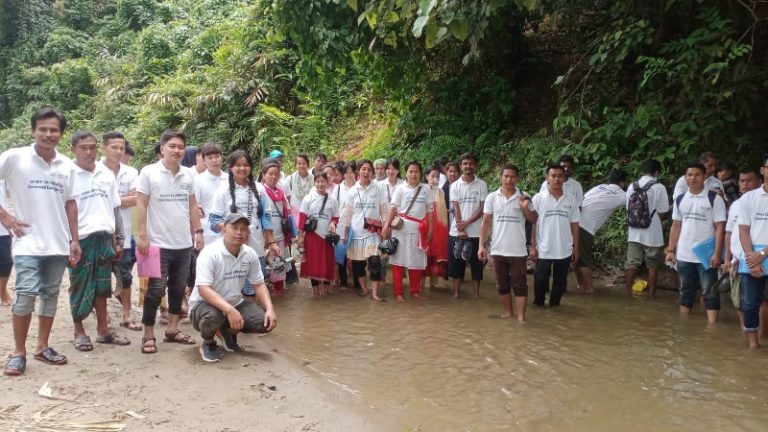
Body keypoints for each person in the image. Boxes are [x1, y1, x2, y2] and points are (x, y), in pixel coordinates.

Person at [0, 107, 81, 376]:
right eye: (43, 129)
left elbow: (70, 203)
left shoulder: (67, 165)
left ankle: (42, 346)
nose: (48, 134)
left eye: (53, 130)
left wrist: (74, 239)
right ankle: (18, 352)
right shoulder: (15, 158)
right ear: (33, 131)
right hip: (27, 242)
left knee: (50, 294)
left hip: (58, 243)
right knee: (25, 295)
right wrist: (5, 216)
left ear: (61, 134)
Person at [136, 130, 204, 354]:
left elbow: (192, 205)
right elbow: (141, 204)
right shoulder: (149, 172)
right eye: (172, 146)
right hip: (156, 244)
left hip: (183, 244)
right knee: (154, 291)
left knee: (177, 288)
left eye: (180, 147)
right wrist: (142, 236)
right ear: (162, 148)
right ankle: (148, 334)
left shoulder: (188, 175)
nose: (177, 150)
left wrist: (198, 231)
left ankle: (172, 330)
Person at [68, 131, 130, 351]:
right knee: (79, 284)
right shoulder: (67, 174)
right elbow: (62, 209)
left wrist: (118, 239)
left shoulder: (106, 174)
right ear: (73, 149)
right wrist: (70, 240)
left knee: (103, 286)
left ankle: (103, 330)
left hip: (104, 237)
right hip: (80, 239)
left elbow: (115, 208)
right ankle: (79, 331)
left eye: (92, 147)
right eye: (83, 147)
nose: (88, 152)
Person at [190, 213, 277, 362]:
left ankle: (226, 331)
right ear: (224, 229)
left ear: (248, 233)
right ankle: (208, 342)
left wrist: (270, 309)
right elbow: (203, 290)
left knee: (265, 322)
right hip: (203, 306)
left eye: (243, 229)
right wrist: (230, 310)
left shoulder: (250, 254)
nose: (239, 232)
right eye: (234, 228)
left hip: (235, 302)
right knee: (214, 316)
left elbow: (258, 284)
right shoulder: (210, 253)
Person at [209, 150, 279, 300]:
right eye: (238, 165)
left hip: (256, 245)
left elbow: (266, 216)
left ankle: (251, 311)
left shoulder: (259, 189)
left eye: (246, 165)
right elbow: (214, 219)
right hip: (230, 247)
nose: (242, 168)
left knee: (256, 284)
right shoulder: (222, 190)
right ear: (231, 167)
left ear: (251, 167)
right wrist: (231, 231)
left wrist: (271, 242)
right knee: (230, 287)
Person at [665, 162, 726, 323]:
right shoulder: (680, 199)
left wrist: (717, 254)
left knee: (710, 292)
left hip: (706, 256)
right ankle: (684, 325)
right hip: (684, 254)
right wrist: (671, 250)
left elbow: (720, 228)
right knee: (686, 291)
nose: (693, 178)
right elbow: (676, 225)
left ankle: (712, 328)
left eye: (697, 174)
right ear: (685, 177)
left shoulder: (714, 198)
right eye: (689, 175)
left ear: (704, 176)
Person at [478, 164, 536, 320]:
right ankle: (508, 313)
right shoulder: (492, 197)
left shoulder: (524, 196)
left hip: (518, 250)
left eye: (512, 177)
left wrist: (525, 208)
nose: (509, 179)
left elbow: (533, 219)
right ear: (501, 177)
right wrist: (481, 246)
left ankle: (521, 318)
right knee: (502, 283)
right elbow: (485, 222)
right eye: (506, 176)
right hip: (498, 249)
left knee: (520, 284)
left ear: (517, 178)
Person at [101, 131, 141, 331]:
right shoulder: (95, 170)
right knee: (100, 276)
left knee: (125, 275)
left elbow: (138, 199)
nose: (118, 151)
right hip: (99, 232)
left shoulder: (131, 172)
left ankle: (126, 314)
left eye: (121, 148)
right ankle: (103, 315)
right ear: (104, 148)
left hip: (123, 233)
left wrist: (109, 199)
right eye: (114, 147)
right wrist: (123, 199)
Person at [382, 161, 434, 302]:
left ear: (420, 173)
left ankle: (415, 291)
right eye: (410, 171)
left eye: (416, 171)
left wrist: (431, 229)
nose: (413, 174)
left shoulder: (426, 189)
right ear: (406, 173)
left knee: (416, 261)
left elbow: (430, 211)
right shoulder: (400, 189)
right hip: (401, 229)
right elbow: (393, 208)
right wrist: (386, 226)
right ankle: (398, 293)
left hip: (419, 231)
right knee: (398, 262)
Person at [530, 164, 580, 307]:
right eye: (553, 176)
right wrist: (533, 246)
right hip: (544, 248)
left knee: (560, 282)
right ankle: (539, 305)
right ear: (547, 178)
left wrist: (576, 247)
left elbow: (575, 224)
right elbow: (533, 223)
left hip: (564, 248)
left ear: (564, 178)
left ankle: (554, 306)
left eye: (560, 176)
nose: (557, 179)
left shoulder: (571, 199)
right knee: (540, 280)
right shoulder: (538, 198)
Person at [574, 169, 629, 293]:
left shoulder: (599, 187)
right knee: (583, 260)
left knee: (575, 257)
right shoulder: (622, 195)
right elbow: (638, 204)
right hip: (585, 228)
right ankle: (589, 290)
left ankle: (580, 285)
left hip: (573, 222)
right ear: (623, 183)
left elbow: (583, 199)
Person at [342, 159, 389, 301]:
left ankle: (374, 293)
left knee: (375, 262)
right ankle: (364, 289)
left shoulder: (378, 188)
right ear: (358, 171)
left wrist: (386, 227)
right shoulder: (352, 191)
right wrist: (345, 232)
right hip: (356, 233)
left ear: (372, 172)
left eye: (369, 169)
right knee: (357, 265)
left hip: (373, 232)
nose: (366, 171)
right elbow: (348, 213)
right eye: (363, 169)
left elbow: (384, 209)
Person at [625, 159, 669, 299]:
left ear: (643, 170)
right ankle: (651, 296)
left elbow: (628, 208)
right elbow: (663, 211)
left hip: (634, 231)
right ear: (657, 172)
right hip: (652, 232)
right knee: (652, 264)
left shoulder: (632, 186)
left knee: (631, 263)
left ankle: (627, 294)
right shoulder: (659, 187)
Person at [724, 167, 762, 328]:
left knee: (759, 302)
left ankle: (760, 336)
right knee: (739, 301)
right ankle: (745, 335)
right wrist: (727, 260)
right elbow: (729, 233)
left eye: (749, 180)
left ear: (759, 181)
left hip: (758, 258)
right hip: (737, 260)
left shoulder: (762, 202)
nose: (745, 184)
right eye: (742, 181)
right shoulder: (735, 205)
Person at [448, 153, 487, 299]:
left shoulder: (482, 184)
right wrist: (461, 227)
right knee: (456, 265)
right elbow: (456, 206)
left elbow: (482, 208)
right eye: (465, 163)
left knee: (477, 266)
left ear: (475, 165)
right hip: (456, 232)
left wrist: (467, 223)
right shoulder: (455, 186)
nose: (468, 166)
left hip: (476, 232)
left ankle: (476, 294)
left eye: (470, 163)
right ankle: (456, 293)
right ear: (461, 166)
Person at [738, 154, 768, 348]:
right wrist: (751, 258)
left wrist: (762, 254)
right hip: (750, 256)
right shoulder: (749, 198)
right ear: (763, 170)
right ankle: (753, 345)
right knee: (750, 303)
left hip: (762, 254)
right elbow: (743, 230)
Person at [298, 173, 340, 296]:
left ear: (327, 183)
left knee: (327, 263)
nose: (320, 184)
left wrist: (333, 223)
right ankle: (316, 292)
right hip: (312, 236)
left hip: (327, 237)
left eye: (323, 181)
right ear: (314, 183)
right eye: (318, 181)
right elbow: (302, 218)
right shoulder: (308, 198)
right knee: (313, 264)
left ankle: (325, 292)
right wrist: (300, 237)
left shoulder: (332, 200)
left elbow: (336, 217)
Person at [260, 159, 294, 295]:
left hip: (279, 234)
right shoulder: (260, 191)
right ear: (263, 175)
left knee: (279, 264)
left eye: (276, 174)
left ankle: (279, 293)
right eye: (270, 174)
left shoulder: (281, 193)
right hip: (263, 236)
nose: (274, 177)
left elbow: (287, 213)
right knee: (263, 265)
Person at [195, 142, 229, 246]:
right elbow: (194, 207)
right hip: (207, 232)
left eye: (217, 156)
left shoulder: (229, 178)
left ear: (222, 157)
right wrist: (197, 232)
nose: (214, 160)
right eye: (210, 158)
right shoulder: (198, 180)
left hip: (229, 230)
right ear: (204, 160)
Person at [423, 165, 449, 289]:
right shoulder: (422, 190)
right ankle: (420, 286)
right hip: (425, 227)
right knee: (424, 256)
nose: (435, 179)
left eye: (437, 176)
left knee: (436, 257)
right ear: (426, 176)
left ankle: (433, 285)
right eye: (432, 176)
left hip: (438, 230)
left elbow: (442, 213)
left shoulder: (440, 192)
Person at [335, 161, 358, 289]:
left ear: (355, 173)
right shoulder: (338, 188)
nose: (349, 175)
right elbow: (334, 207)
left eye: (351, 172)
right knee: (341, 255)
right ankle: (343, 283)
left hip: (356, 225)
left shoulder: (359, 187)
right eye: (346, 172)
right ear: (343, 174)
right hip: (341, 225)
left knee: (356, 255)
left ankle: (357, 283)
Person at [285, 154, 314, 223]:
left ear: (308, 164)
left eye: (304, 163)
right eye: (299, 163)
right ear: (296, 165)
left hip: (309, 212)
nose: (301, 166)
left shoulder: (313, 178)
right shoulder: (290, 179)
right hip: (294, 213)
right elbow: (286, 197)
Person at [0, 180, 12, 306]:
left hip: (2, 226)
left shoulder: (3, 171)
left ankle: (2, 291)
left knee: (6, 262)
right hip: (3, 219)